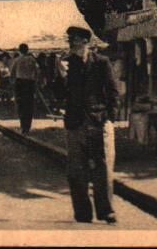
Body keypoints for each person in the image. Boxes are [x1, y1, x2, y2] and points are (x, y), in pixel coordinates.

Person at [63, 25, 118, 224]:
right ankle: (82, 213)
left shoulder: (101, 62)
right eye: (69, 39)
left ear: (85, 41)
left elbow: (112, 90)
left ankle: (106, 211)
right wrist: (61, 77)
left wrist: (109, 116)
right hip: (75, 123)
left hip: (98, 121)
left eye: (74, 39)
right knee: (76, 171)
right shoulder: (66, 63)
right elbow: (58, 95)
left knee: (102, 169)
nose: (70, 42)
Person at [11, 43, 40, 133]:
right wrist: (35, 82)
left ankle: (23, 125)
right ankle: (27, 126)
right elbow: (37, 72)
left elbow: (12, 73)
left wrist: (12, 83)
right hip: (29, 83)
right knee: (29, 104)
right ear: (27, 50)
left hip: (20, 83)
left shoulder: (17, 60)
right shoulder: (33, 60)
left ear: (19, 50)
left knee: (21, 104)